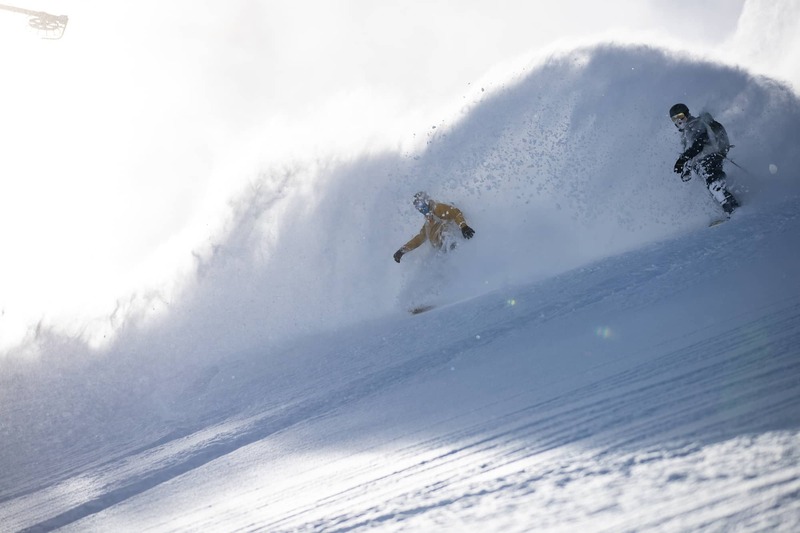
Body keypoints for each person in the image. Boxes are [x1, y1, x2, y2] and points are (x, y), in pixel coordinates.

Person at [669, 103, 739, 215]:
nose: (679, 121)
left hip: (710, 156)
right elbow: (692, 154)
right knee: (711, 186)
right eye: (674, 119)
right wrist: (686, 168)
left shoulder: (695, 124)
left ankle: (734, 210)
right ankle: (729, 209)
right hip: (701, 162)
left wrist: (682, 160)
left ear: (687, 114)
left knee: (713, 182)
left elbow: (699, 144)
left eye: (681, 116)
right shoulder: (685, 134)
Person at [393, 191, 475, 263]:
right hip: (442, 249)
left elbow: (455, 213)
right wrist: (402, 250)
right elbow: (420, 238)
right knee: (436, 259)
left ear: (426, 201)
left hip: (450, 240)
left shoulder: (437, 208)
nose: (420, 209)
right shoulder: (428, 223)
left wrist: (463, 226)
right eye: (417, 207)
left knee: (446, 236)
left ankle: (457, 252)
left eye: (421, 204)